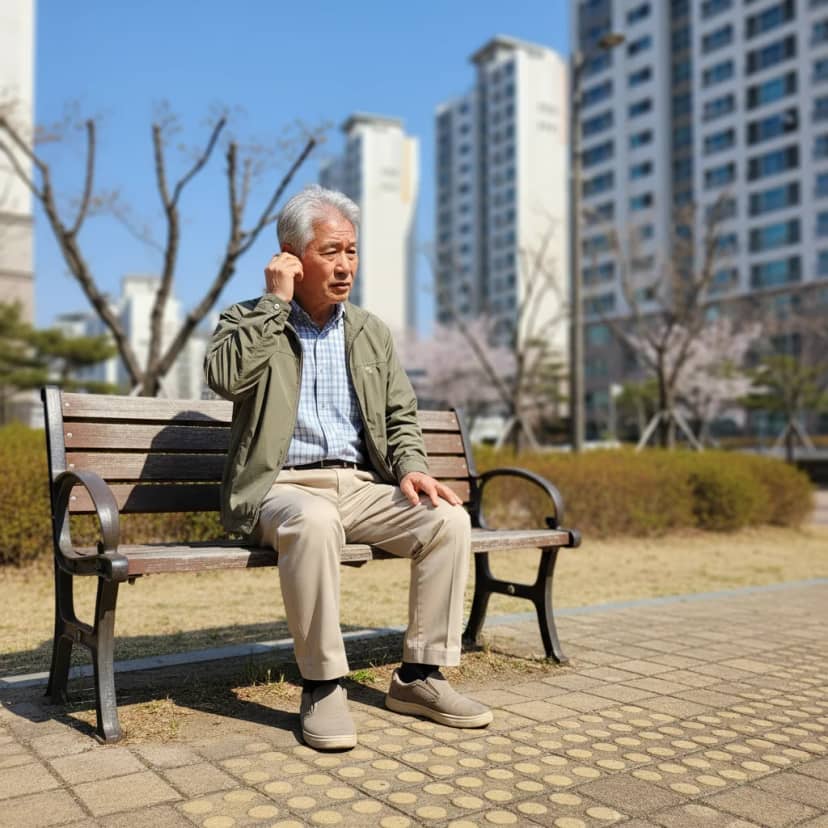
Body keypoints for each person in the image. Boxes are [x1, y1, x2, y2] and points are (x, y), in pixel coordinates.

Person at [205, 184, 492, 750]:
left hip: (359, 486)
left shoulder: (368, 331)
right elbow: (226, 379)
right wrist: (275, 304)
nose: (345, 266)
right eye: (330, 251)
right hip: (280, 489)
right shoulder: (248, 318)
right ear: (291, 256)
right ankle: (323, 684)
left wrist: (411, 466)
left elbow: (400, 413)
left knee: (447, 521)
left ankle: (419, 677)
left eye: (352, 251)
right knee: (314, 521)